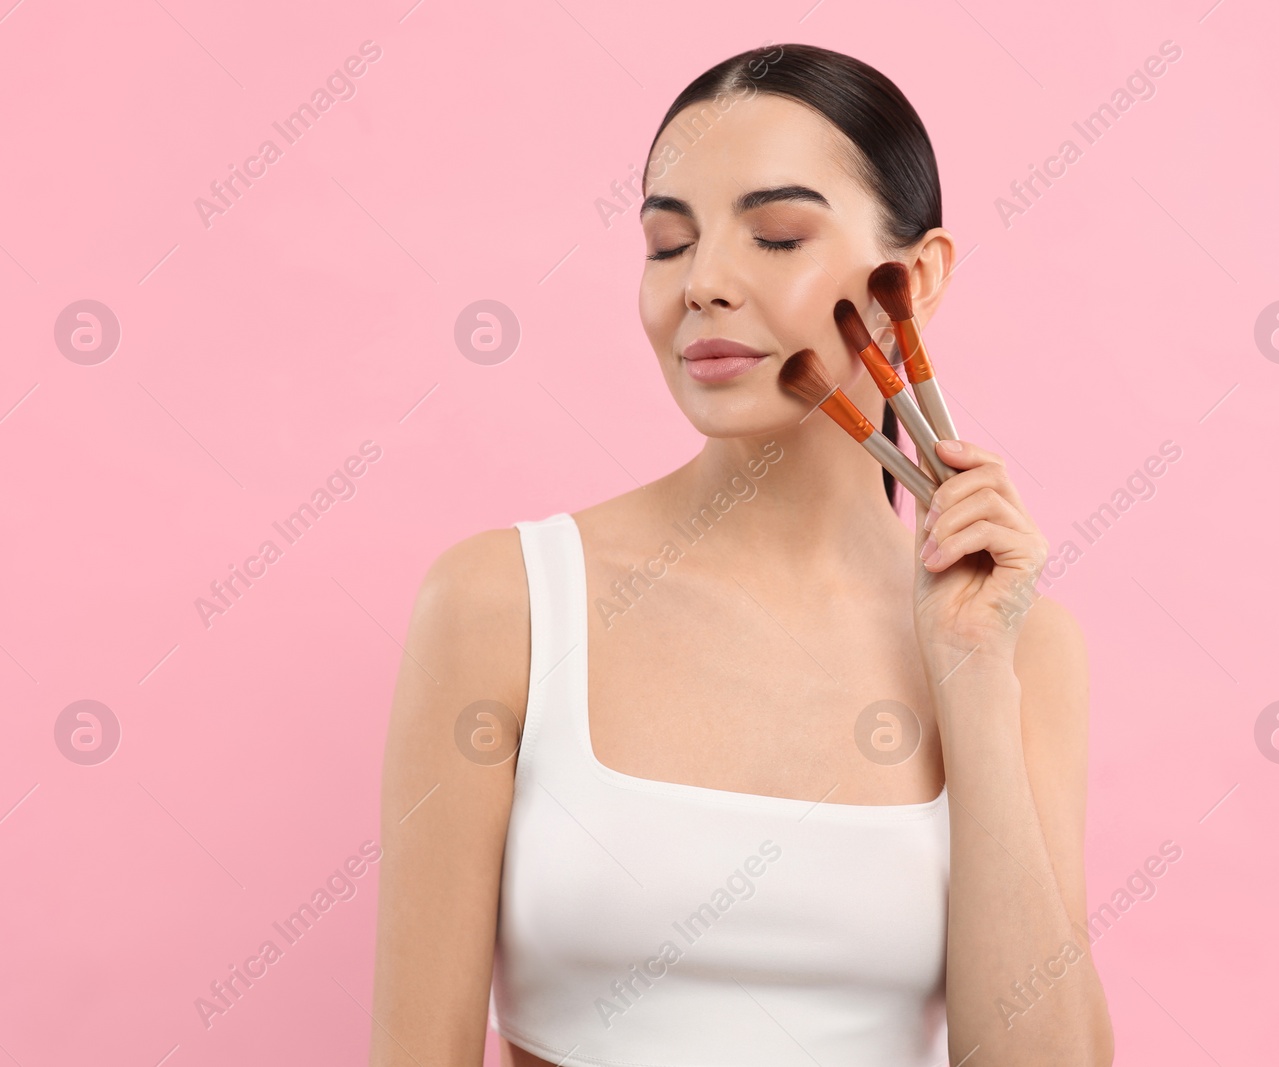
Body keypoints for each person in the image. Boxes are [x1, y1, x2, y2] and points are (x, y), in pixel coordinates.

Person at [369, 42, 1113, 1067]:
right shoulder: (505, 602)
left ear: (917, 276)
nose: (704, 284)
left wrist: (974, 678)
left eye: (774, 235)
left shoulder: (1022, 647)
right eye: (668, 244)